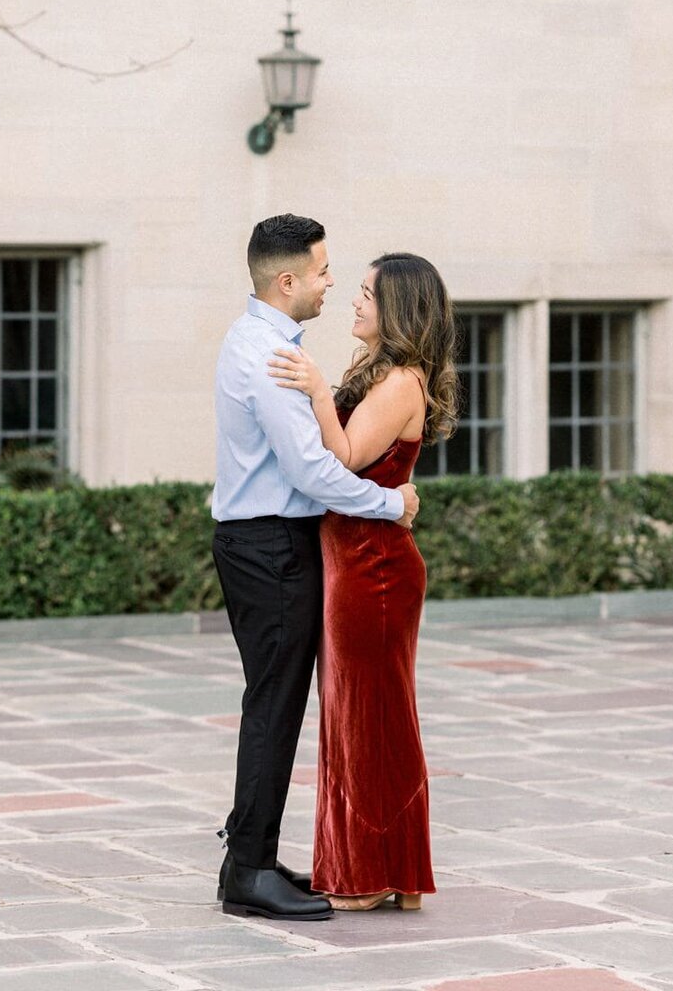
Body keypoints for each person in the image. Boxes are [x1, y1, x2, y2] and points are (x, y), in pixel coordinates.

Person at [212, 214, 420, 923]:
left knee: (275, 703)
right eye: (325, 272)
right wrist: (392, 505)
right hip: (270, 545)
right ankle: (248, 871)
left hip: (267, 544)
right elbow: (313, 470)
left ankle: (252, 858)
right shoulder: (268, 355)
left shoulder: (263, 344)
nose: (333, 284)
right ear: (288, 279)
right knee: (273, 706)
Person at [268, 251, 458, 912]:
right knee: (360, 718)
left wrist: (316, 388)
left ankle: (371, 874)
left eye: (368, 295)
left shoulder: (403, 379)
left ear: (399, 310)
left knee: (367, 721)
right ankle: (390, 871)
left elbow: (345, 458)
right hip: (354, 563)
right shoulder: (385, 373)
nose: (353, 302)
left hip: (373, 570)